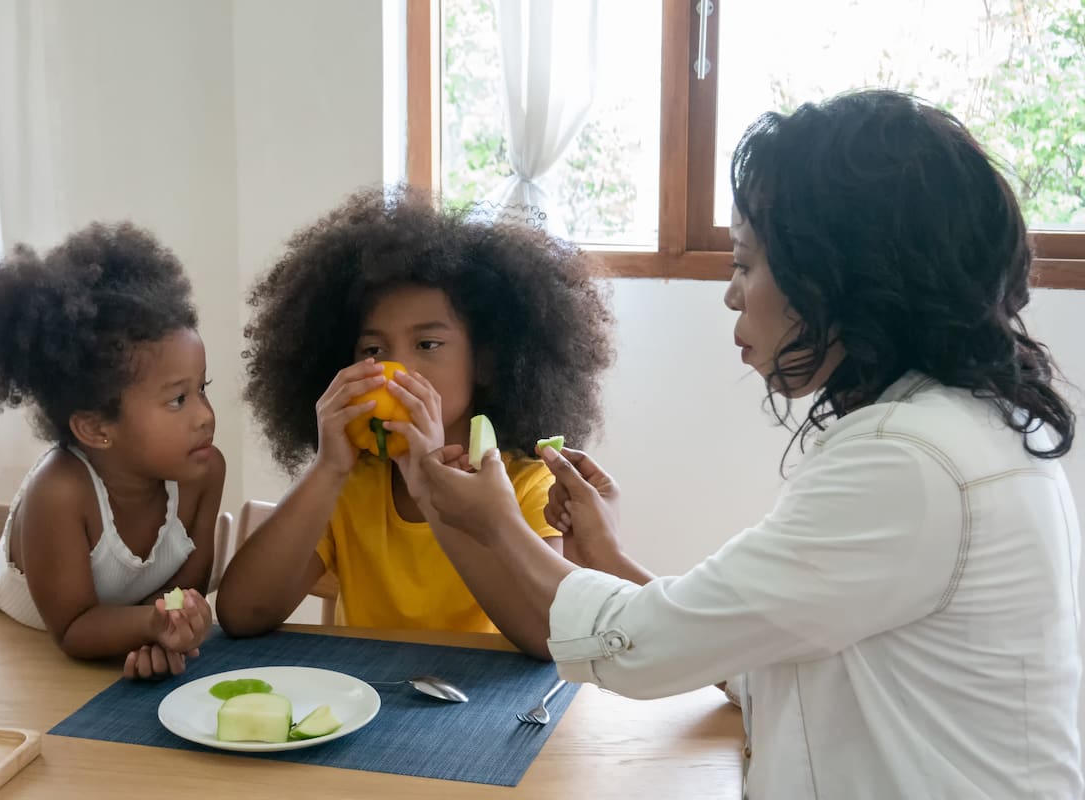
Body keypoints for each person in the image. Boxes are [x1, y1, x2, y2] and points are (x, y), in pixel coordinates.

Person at [418, 90, 1083, 797]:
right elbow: (750, 643)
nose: (732, 295)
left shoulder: (908, 463)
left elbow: (647, 651)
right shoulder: (965, 426)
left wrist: (494, 526)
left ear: (842, 275)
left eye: (744, 263)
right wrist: (608, 559)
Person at [217, 187, 614, 648]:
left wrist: (429, 487)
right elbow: (241, 614)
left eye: (427, 344)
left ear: (485, 361)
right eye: (373, 350)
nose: (395, 369)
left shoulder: (524, 486)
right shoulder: (349, 485)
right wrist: (328, 468)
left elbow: (549, 639)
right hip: (369, 704)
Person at [0, 222, 224, 679]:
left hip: (100, 655)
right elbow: (75, 628)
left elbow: (183, 591)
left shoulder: (202, 472)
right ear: (96, 428)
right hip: (3, 651)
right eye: (178, 399)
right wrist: (151, 624)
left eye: (203, 388)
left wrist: (166, 633)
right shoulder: (58, 493)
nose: (204, 415)